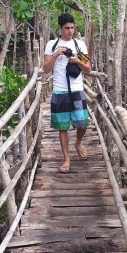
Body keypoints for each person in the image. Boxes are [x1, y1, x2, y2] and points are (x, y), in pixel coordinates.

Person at [43, 13, 91, 173]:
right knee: (62, 126)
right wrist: (56, 55)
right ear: (60, 28)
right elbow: (45, 69)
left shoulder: (79, 45)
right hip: (60, 90)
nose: (70, 31)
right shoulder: (51, 44)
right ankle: (66, 158)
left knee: (83, 122)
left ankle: (78, 142)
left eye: (72, 27)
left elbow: (88, 69)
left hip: (77, 89)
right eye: (66, 28)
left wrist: (78, 61)